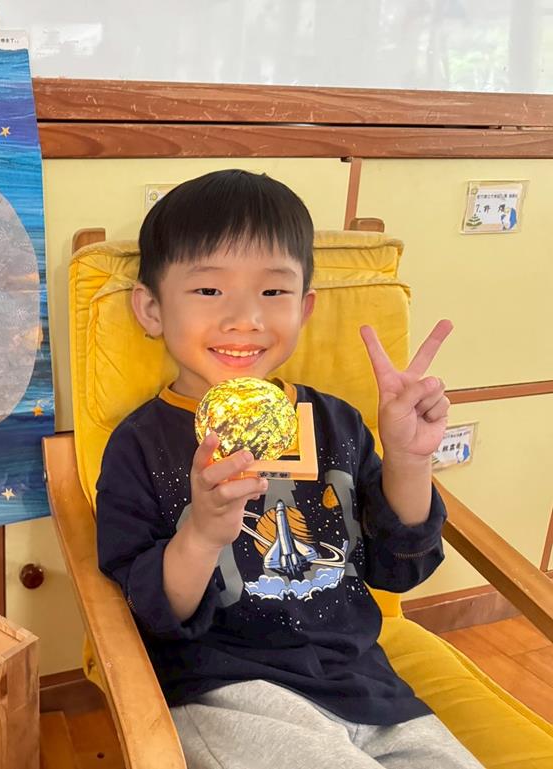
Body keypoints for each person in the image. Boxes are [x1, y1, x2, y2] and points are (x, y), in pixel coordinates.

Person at [96, 169, 481, 768]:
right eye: (209, 290)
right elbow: (149, 611)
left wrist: (410, 460)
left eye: (274, 292)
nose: (246, 317)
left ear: (304, 308)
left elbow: (397, 567)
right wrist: (201, 534)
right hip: (227, 688)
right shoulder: (139, 445)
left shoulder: (337, 423)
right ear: (151, 309)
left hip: (365, 683)